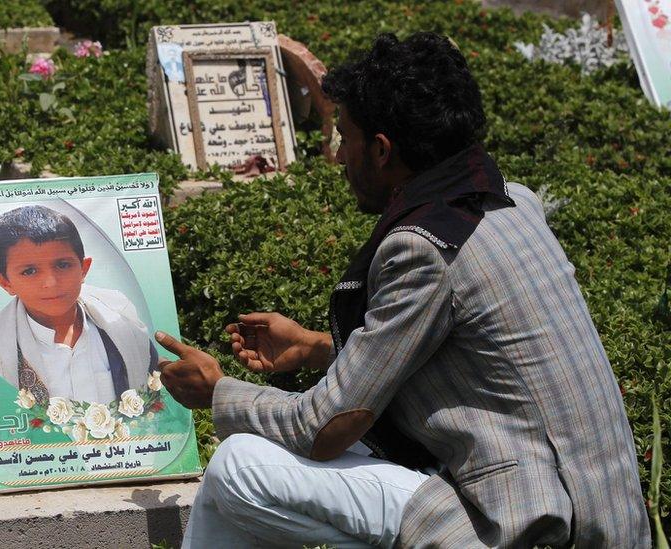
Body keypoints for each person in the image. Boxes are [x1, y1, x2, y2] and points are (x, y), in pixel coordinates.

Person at [155, 32, 650, 547]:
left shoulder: (424, 249)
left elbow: (326, 428)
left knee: (239, 465)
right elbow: (457, 359)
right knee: (233, 483)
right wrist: (319, 348)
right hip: (604, 520)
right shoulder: (512, 202)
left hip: (529, 529)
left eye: (344, 137)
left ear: (383, 149)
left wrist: (217, 392)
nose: (337, 156)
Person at [0, 205, 158, 405]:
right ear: (5, 283)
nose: (51, 283)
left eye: (63, 265)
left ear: (83, 269)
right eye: (29, 271)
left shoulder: (122, 326)